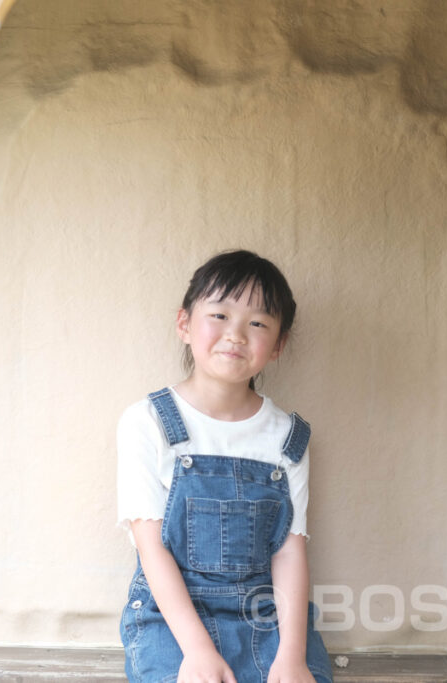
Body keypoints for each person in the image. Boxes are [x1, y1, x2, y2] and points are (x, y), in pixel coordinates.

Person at [116, 249, 333, 683]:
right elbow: (151, 547)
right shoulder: (148, 422)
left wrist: (290, 659)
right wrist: (197, 651)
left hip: (268, 616)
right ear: (184, 324)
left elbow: (289, 551)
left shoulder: (287, 437)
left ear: (277, 345)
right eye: (219, 315)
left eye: (257, 323)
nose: (235, 334)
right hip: (173, 620)